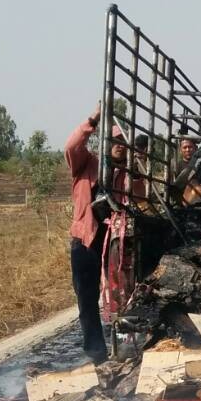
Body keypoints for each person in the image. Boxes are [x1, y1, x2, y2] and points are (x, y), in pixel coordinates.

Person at [63, 104, 127, 363]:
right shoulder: (86, 164)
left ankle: (122, 346)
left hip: (114, 242)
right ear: (106, 142)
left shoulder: (126, 174)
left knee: (120, 295)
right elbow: (71, 147)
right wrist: (93, 119)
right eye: (115, 141)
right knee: (87, 298)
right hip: (86, 240)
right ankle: (96, 352)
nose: (120, 146)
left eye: (124, 142)